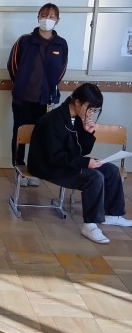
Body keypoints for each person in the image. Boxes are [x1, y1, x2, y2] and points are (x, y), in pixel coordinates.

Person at [28, 83, 132, 244]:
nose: (91, 113)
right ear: (77, 102)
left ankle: (112, 214)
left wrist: (87, 133)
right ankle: (90, 225)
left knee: (111, 170)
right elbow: (54, 157)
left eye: (94, 110)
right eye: (89, 108)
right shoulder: (53, 120)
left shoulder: (76, 119)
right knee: (94, 177)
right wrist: (85, 162)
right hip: (48, 166)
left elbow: (81, 151)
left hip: (66, 162)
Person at [8, 3, 68, 184]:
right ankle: (19, 170)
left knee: (40, 136)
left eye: (51, 16)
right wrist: (21, 84)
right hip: (23, 98)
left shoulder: (61, 44)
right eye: (44, 15)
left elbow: (61, 70)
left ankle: (35, 171)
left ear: (57, 20)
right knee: (20, 134)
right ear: (38, 17)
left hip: (45, 101)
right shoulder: (25, 41)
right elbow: (12, 65)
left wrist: (49, 89)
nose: (47, 19)